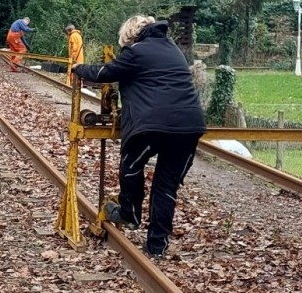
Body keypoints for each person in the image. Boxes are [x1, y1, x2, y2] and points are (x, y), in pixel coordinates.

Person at [72, 15, 206, 258]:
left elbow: (105, 72)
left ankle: (130, 213)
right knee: (166, 186)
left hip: (151, 125)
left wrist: (77, 68)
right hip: (189, 126)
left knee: (131, 166)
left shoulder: (136, 52)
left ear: (129, 37)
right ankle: (157, 246)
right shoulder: (173, 49)